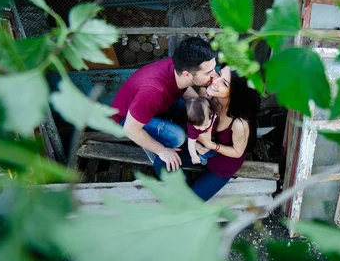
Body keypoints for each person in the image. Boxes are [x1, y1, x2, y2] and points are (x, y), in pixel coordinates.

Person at [153, 66, 259, 201]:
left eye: (224, 83)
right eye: (219, 74)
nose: (215, 81)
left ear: (235, 93)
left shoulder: (240, 123)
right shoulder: (210, 97)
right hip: (200, 151)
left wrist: (211, 144)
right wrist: (196, 145)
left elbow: (237, 152)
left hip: (221, 166)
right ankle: (184, 188)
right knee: (161, 162)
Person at [111, 37, 218, 170]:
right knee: (177, 137)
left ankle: (165, 125)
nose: (214, 75)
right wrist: (162, 151)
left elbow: (186, 89)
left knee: (193, 110)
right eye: (208, 72)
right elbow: (130, 129)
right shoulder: (153, 92)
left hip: (151, 105)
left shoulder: (178, 69)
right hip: (126, 120)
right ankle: (153, 145)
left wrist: (201, 105)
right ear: (187, 74)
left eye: (213, 69)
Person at [185, 97, 218, 166]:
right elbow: (190, 144)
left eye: (205, 125)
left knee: (215, 151)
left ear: (211, 115)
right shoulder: (192, 128)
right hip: (198, 139)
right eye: (197, 126)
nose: (201, 128)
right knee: (205, 152)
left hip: (211, 136)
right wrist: (194, 157)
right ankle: (201, 156)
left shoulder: (213, 114)